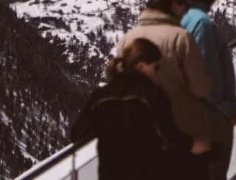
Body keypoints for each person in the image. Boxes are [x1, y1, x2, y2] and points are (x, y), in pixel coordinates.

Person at [67, 37, 208, 180]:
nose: (156, 73)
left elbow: (77, 133)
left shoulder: (100, 96)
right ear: (141, 66)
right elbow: (169, 133)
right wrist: (193, 145)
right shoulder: (152, 93)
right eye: (155, 67)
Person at [119, 0, 215, 165]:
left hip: (141, 140)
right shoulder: (181, 38)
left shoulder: (126, 40)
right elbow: (202, 88)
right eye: (184, 6)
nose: (185, 12)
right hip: (184, 138)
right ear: (173, 4)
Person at [177, 0, 236, 180]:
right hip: (210, 120)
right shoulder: (201, 23)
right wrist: (228, 111)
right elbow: (207, 79)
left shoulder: (181, 18)